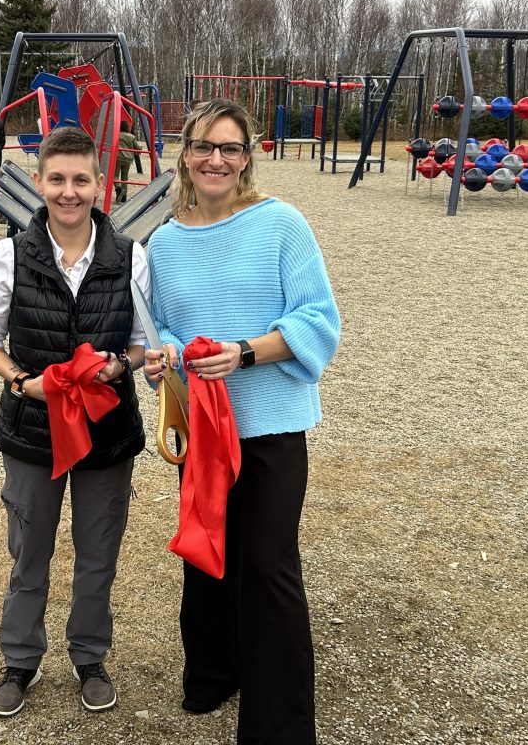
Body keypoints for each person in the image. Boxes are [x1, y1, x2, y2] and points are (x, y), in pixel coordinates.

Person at [143, 99, 341, 744]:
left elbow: (318, 319)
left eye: (229, 148)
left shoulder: (282, 224)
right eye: (204, 146)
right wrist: (167, 352)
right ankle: (212, 674)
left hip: (272, 423)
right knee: (206, 554)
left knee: (266, 562)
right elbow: (162, 324)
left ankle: (279, 724)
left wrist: (247, 352)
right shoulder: (166, 241)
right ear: (185, 153)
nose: (215, 160)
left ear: (248, 156)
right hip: (202, 423)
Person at [0, 126, 150, 718]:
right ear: (39, 183)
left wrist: (118, 366)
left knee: (98, 551)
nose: (69, 192)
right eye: (57, 180)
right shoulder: (10, 253)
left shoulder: (130, 255)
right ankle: (19, 660)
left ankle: (90, 655)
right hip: (33, 430)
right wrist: (26, 382)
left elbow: (143, 342)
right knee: (29, 553)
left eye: (81, 180)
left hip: (106, 429)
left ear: (100, 184)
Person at [114, 121, 138, 204]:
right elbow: (137, 147)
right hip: (128, 159)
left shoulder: (116, 134)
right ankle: (124, 197)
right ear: (127, 127)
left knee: (115, 176)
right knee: (125, 178)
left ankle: (119, 188)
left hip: (117, 158)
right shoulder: (131, 136)